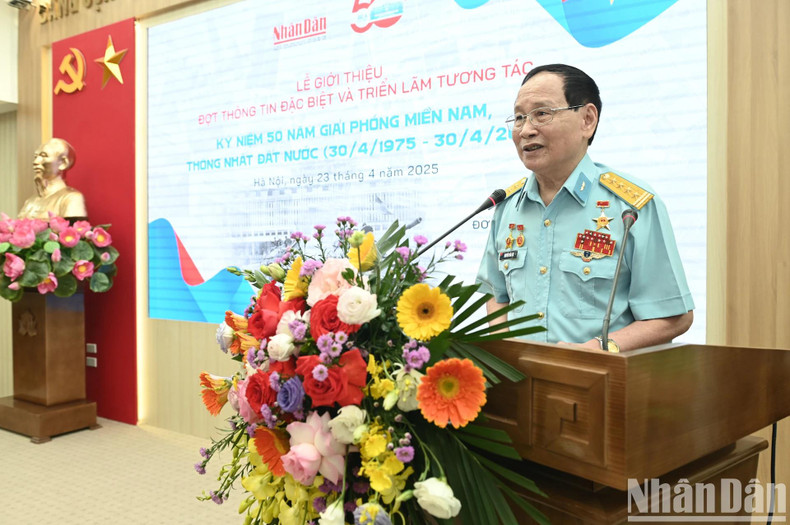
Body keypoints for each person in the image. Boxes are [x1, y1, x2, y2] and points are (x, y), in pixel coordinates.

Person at [475, 64, 694, 352]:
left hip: (599, 383)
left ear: (587, 120)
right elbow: (497, 294)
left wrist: (600, 349)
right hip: (519, 384)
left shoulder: (631, 207)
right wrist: (507, 348)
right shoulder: (507, 207)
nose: (526, 130)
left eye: (541, 114)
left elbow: (672, 316)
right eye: (518, 118)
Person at [18, 138, 87, 220]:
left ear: (63, 163)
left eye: (44, 156)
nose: (36, 162)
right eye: (36, 156)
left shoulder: (72, 198)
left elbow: (72, 230)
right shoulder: (30, 202)